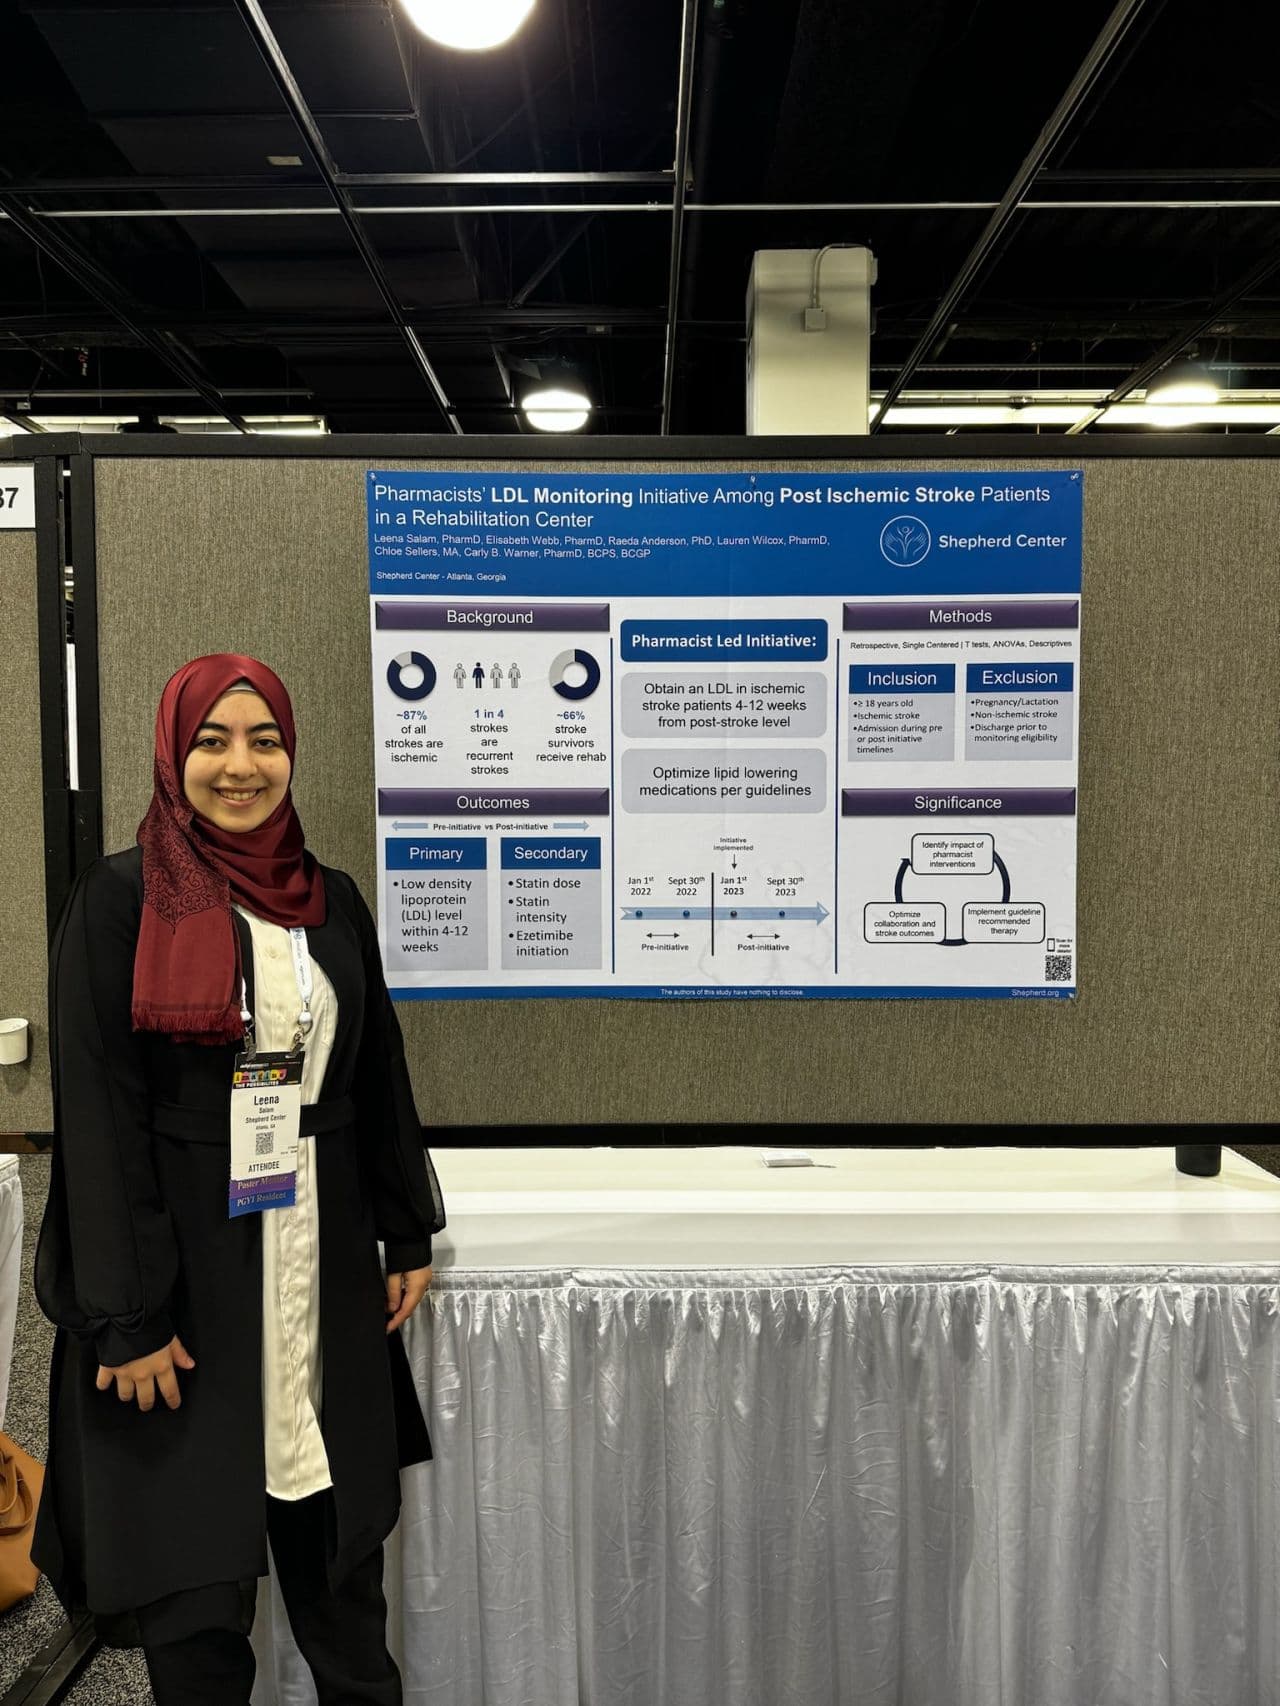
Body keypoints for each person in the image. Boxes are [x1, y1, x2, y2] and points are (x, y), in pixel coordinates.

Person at [33, 653, 444, 1705]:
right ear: (174, 754)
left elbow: (376, 1070)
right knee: (198, 1608)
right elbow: (97, 1114)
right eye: (212, 739)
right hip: (188, 1280)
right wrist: (126, 1316)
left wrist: (403, 1232)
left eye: (263, 737)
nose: (240, 764)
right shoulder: (121, 900)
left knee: (345, 1596)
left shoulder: (330, 899)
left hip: (319, 1253)